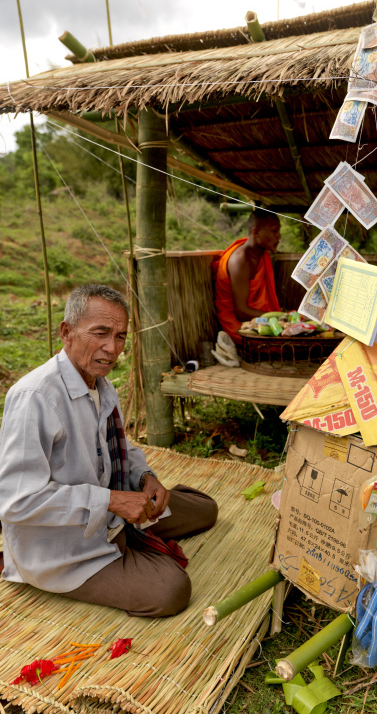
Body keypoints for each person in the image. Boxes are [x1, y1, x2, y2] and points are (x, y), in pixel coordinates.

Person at [0, 284, 217, 618]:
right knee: (170, 590)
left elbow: (116, 448)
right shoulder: (35, 397)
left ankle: (129, 531)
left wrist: (145, 477)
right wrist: (112, 501)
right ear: (66, 332)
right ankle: (122, 545)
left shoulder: (99, 384)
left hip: (109, 508)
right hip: (62, 545)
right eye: (100, 333)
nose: (112, 348)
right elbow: (17, 501)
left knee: (205, 509)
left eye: (120, 336)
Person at [214, 210, 282, 343]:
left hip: (259, 318)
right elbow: (241, 312)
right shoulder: (240, 261)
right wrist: (279, 318)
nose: (279, 237)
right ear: (255, 232)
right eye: (274, 231)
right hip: (240, 327)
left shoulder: (262, 255)